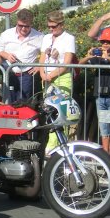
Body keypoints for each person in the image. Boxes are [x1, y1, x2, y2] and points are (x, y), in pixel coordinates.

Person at [79, 28, 110, 158]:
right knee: (104, 127)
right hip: (101, 97)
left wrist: (108, 58)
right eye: (103, 41)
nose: (105, 44)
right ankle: (106, 155)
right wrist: (89, 55)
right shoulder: (97, 56)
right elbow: (79, 64)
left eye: (108, 42)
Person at [39, 10, 76, 153]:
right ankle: (50, 142)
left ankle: (58, 144)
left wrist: (52, 74)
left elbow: (66, 63)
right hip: (47, 78)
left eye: (54, 26)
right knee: (48, 110)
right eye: (49, 26)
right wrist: (42, 73)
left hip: (61, 77)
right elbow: (42, 58)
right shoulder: (47, 38)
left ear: (61, 25)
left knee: (61, 111)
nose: (51, 29)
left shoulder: (69, 38)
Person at [0, 8, 43, 102]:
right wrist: (7, 56)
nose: (23, 29)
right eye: (20, 25)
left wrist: (39, 65)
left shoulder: (39, 36)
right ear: (16, 22)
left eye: (26, 26)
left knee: (24, 104)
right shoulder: (6, 34)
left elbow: (45, 53)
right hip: (9, 74)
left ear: (31, 24)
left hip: (27, 76)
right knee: (8, 102)